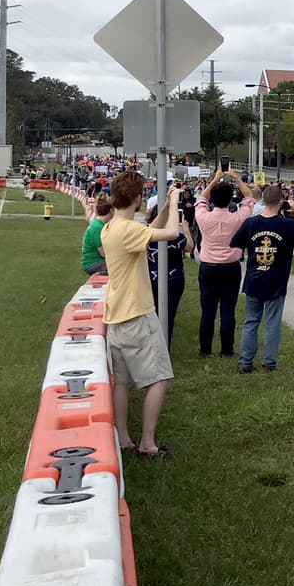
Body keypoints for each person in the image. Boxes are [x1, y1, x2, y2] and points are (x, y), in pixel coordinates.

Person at [99, 172, 182, 458]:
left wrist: (167, 209)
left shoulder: (112, 227)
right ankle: (147, 443)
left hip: (116, 318)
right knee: (159, 378)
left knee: (121, 383)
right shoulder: (127, 230)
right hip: (137, 315)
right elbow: (171, 234)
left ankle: (123, 438)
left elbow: (148, 231)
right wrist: (175, 201)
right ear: (137, 198)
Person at [230, 185, 294, 372]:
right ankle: (269, 362)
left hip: (254, 277)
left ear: (263, 200)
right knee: (272, 322)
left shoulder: (251, 224)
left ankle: (245, 361)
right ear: (281, 202)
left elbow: (236, 243)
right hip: (276, 280)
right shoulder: (287, 225)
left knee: (251, 321)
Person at [194, 173, 255, 358]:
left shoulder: (203, 216)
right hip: (230, 267)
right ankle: (227, 349)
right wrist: (235, 177)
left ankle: (205, 349)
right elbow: (249, 198)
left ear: (213, 199)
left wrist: (215, 178)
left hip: (208, 267)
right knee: (228, 310)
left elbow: (202, 198)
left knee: (208, 311)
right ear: (230, 200)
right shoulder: (238, 218)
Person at [146, 199, 190, 349]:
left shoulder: (147, 232)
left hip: (153, 277)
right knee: (168, 315)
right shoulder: (175, 235)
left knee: (154, 314)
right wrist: (185, 228)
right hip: (174, 278)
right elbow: (189, 247)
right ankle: (164, 347)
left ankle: (155, 346)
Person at [80, 194, 113, 276]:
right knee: (120, 269)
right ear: (111, 211)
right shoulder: (97, 228)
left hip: (96, 261)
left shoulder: (99, 225)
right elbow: (104, 253)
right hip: (93, 263)